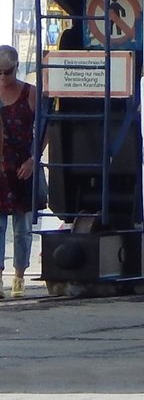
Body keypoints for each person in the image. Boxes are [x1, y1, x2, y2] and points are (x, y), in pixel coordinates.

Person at [0, 45, 37, 300]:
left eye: (7, 71)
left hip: (22, 167)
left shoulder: (30, 93)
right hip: (0, 168)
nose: (2, 76)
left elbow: (44, 129)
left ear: (16, 68)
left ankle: (19, 276)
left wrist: (34, 159)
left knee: (22, 227)